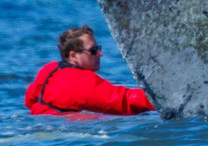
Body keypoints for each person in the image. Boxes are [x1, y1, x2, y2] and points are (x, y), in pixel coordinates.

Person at [25, 25, 155, 116]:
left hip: (43, 125)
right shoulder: (79, 82)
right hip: (66, 132)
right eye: (93, 51)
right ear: (73, 56)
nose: (100, 54)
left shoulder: (50, 69)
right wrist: (159, 96)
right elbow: (124, 101)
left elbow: (29, 100)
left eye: (98, 49)